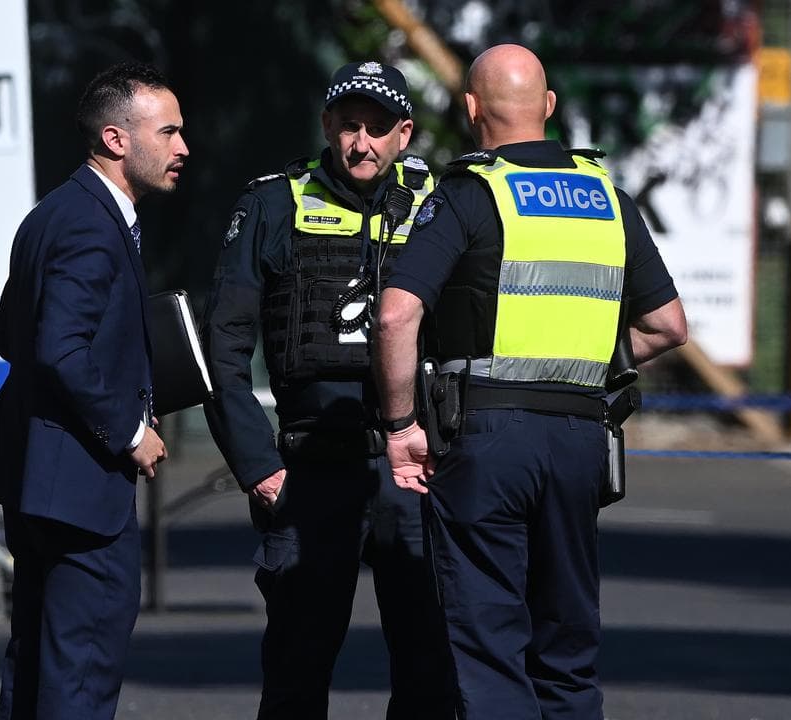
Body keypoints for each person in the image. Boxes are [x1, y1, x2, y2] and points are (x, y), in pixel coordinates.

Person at [373, 44, 689, 720]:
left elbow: (396, 315)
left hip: (485, 443)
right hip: (580, 441)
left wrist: (401, 427)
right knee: (568, 653)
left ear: (470, 109)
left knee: (490, 653)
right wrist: (584, 362)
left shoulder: (469, 193)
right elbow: (667, 326)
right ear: (547, 107)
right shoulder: (608, 197)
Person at [202, 61, 454, 719]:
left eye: (377, 128)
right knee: (295, 674)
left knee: (432, 670)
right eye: (348, 126)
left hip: (415, 475)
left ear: (405, 133)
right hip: (309, 471)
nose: (360, 143)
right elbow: (221, 350)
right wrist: (259, 468)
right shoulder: (272, 203)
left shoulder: (443, 206)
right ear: (327, 126)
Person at [0, 62, 188, 720]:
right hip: (81, 492)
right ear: (118, 140)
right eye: (168, 132)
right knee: (79, 672)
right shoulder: (90, 224)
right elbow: (59, 348)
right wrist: (131, 431)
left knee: (37, 664)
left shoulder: (53, 213)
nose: (183, 148)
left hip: (41, 482)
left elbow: (11, 334)